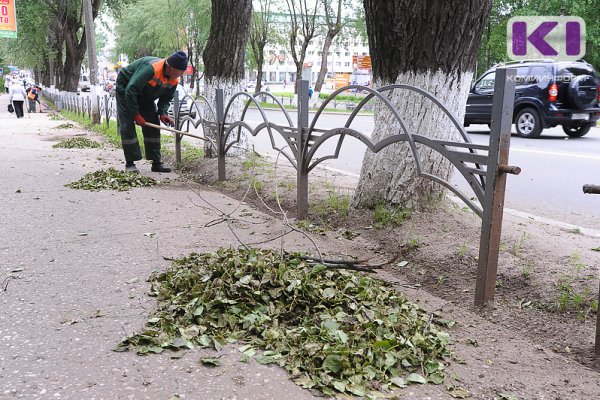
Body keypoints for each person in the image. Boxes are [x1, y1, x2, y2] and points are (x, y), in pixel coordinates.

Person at [116, 51, 188, 173]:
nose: (180, 75)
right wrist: (136, 114)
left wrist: (163, 113)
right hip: (126, 89)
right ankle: (130, 163)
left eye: (182, 72)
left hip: (145, 94)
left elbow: (166, 98)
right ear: (170, 67)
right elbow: (131, 90)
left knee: (153, 123)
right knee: (127, 124)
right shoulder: (151, 69)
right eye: (179, 71)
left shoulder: (174, 80)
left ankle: (156, 162)